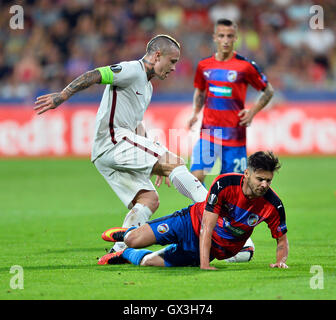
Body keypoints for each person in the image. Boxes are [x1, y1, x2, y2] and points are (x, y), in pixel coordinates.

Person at [34, 34, 208, 253]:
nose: (174, 67)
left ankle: (119, 250)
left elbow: (136, 124)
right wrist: (62, 95)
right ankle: (216, 213)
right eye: (172, 61)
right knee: (176, 163)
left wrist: (151, 157)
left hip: (107, 152)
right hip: (113, 141)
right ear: (157, 55)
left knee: (149, 199)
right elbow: (96, 74)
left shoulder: (148, 87)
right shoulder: (132, 70)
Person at [97, 151, 289, 270]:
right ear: (247, 174)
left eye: (268, 180)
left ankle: (124, 255)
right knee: (133, 240)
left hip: (205, 248)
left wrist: (281, 261)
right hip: (189, 222)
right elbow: (207, 225)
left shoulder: (273, 205)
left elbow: (281, 239)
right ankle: (128, 234)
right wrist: (204, 265)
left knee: (148, 262)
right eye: (260, 179)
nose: (264, 184)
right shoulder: (225, 184)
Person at [187, 19, 274, 183]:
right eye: (221, 36)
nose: (225, 40)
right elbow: (200, 91)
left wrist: (252, 112)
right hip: (209, 132)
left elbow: (268, 91)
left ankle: (217, 208)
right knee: (195, 179)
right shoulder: (204, 66)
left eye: (229, 36)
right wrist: (194, 113)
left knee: (231, 185)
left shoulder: (245, 66)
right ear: (215, 37)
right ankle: (207, 207)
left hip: (235, 135)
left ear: (235, 38)